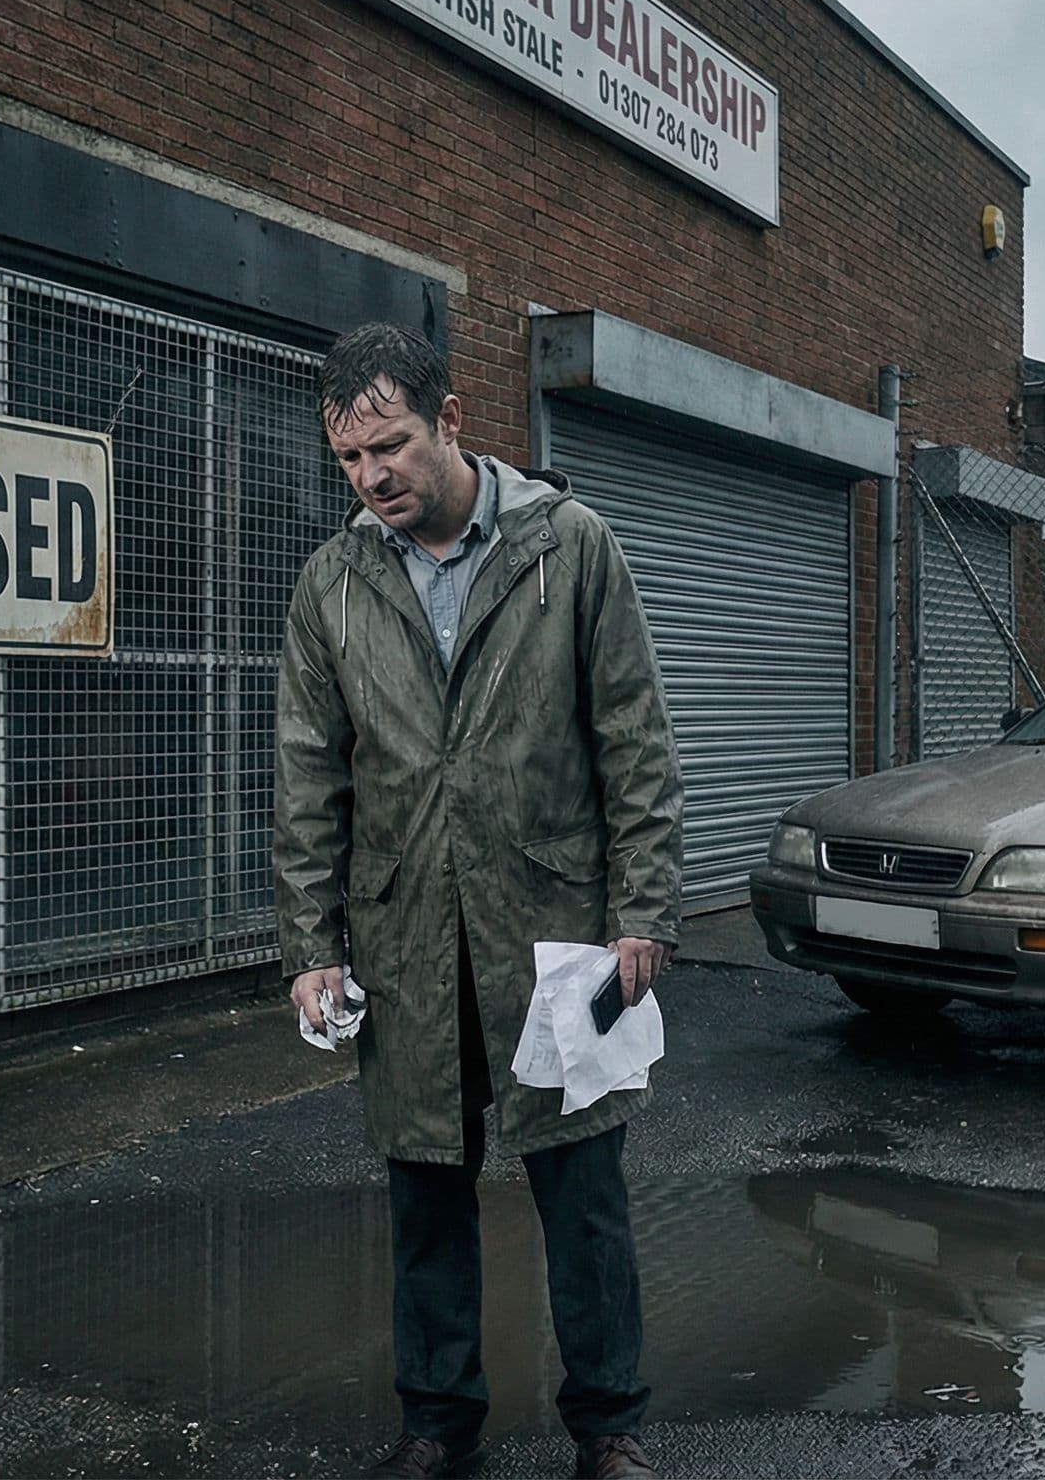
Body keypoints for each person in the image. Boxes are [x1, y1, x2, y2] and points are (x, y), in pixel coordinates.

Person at [276, 322, 685, 1480]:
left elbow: (635, 745)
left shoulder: (569, 549)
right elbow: (310, 772)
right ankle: (436, 1423)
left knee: (582, 1188)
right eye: (349, 460)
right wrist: (312, 943)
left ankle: (610, 1428)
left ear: (452, 421)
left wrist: (643, 906)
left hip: (552, 931)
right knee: (424, 1194)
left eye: (391, 447)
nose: (372, 479)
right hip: (406, 929)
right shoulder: (334, 583)